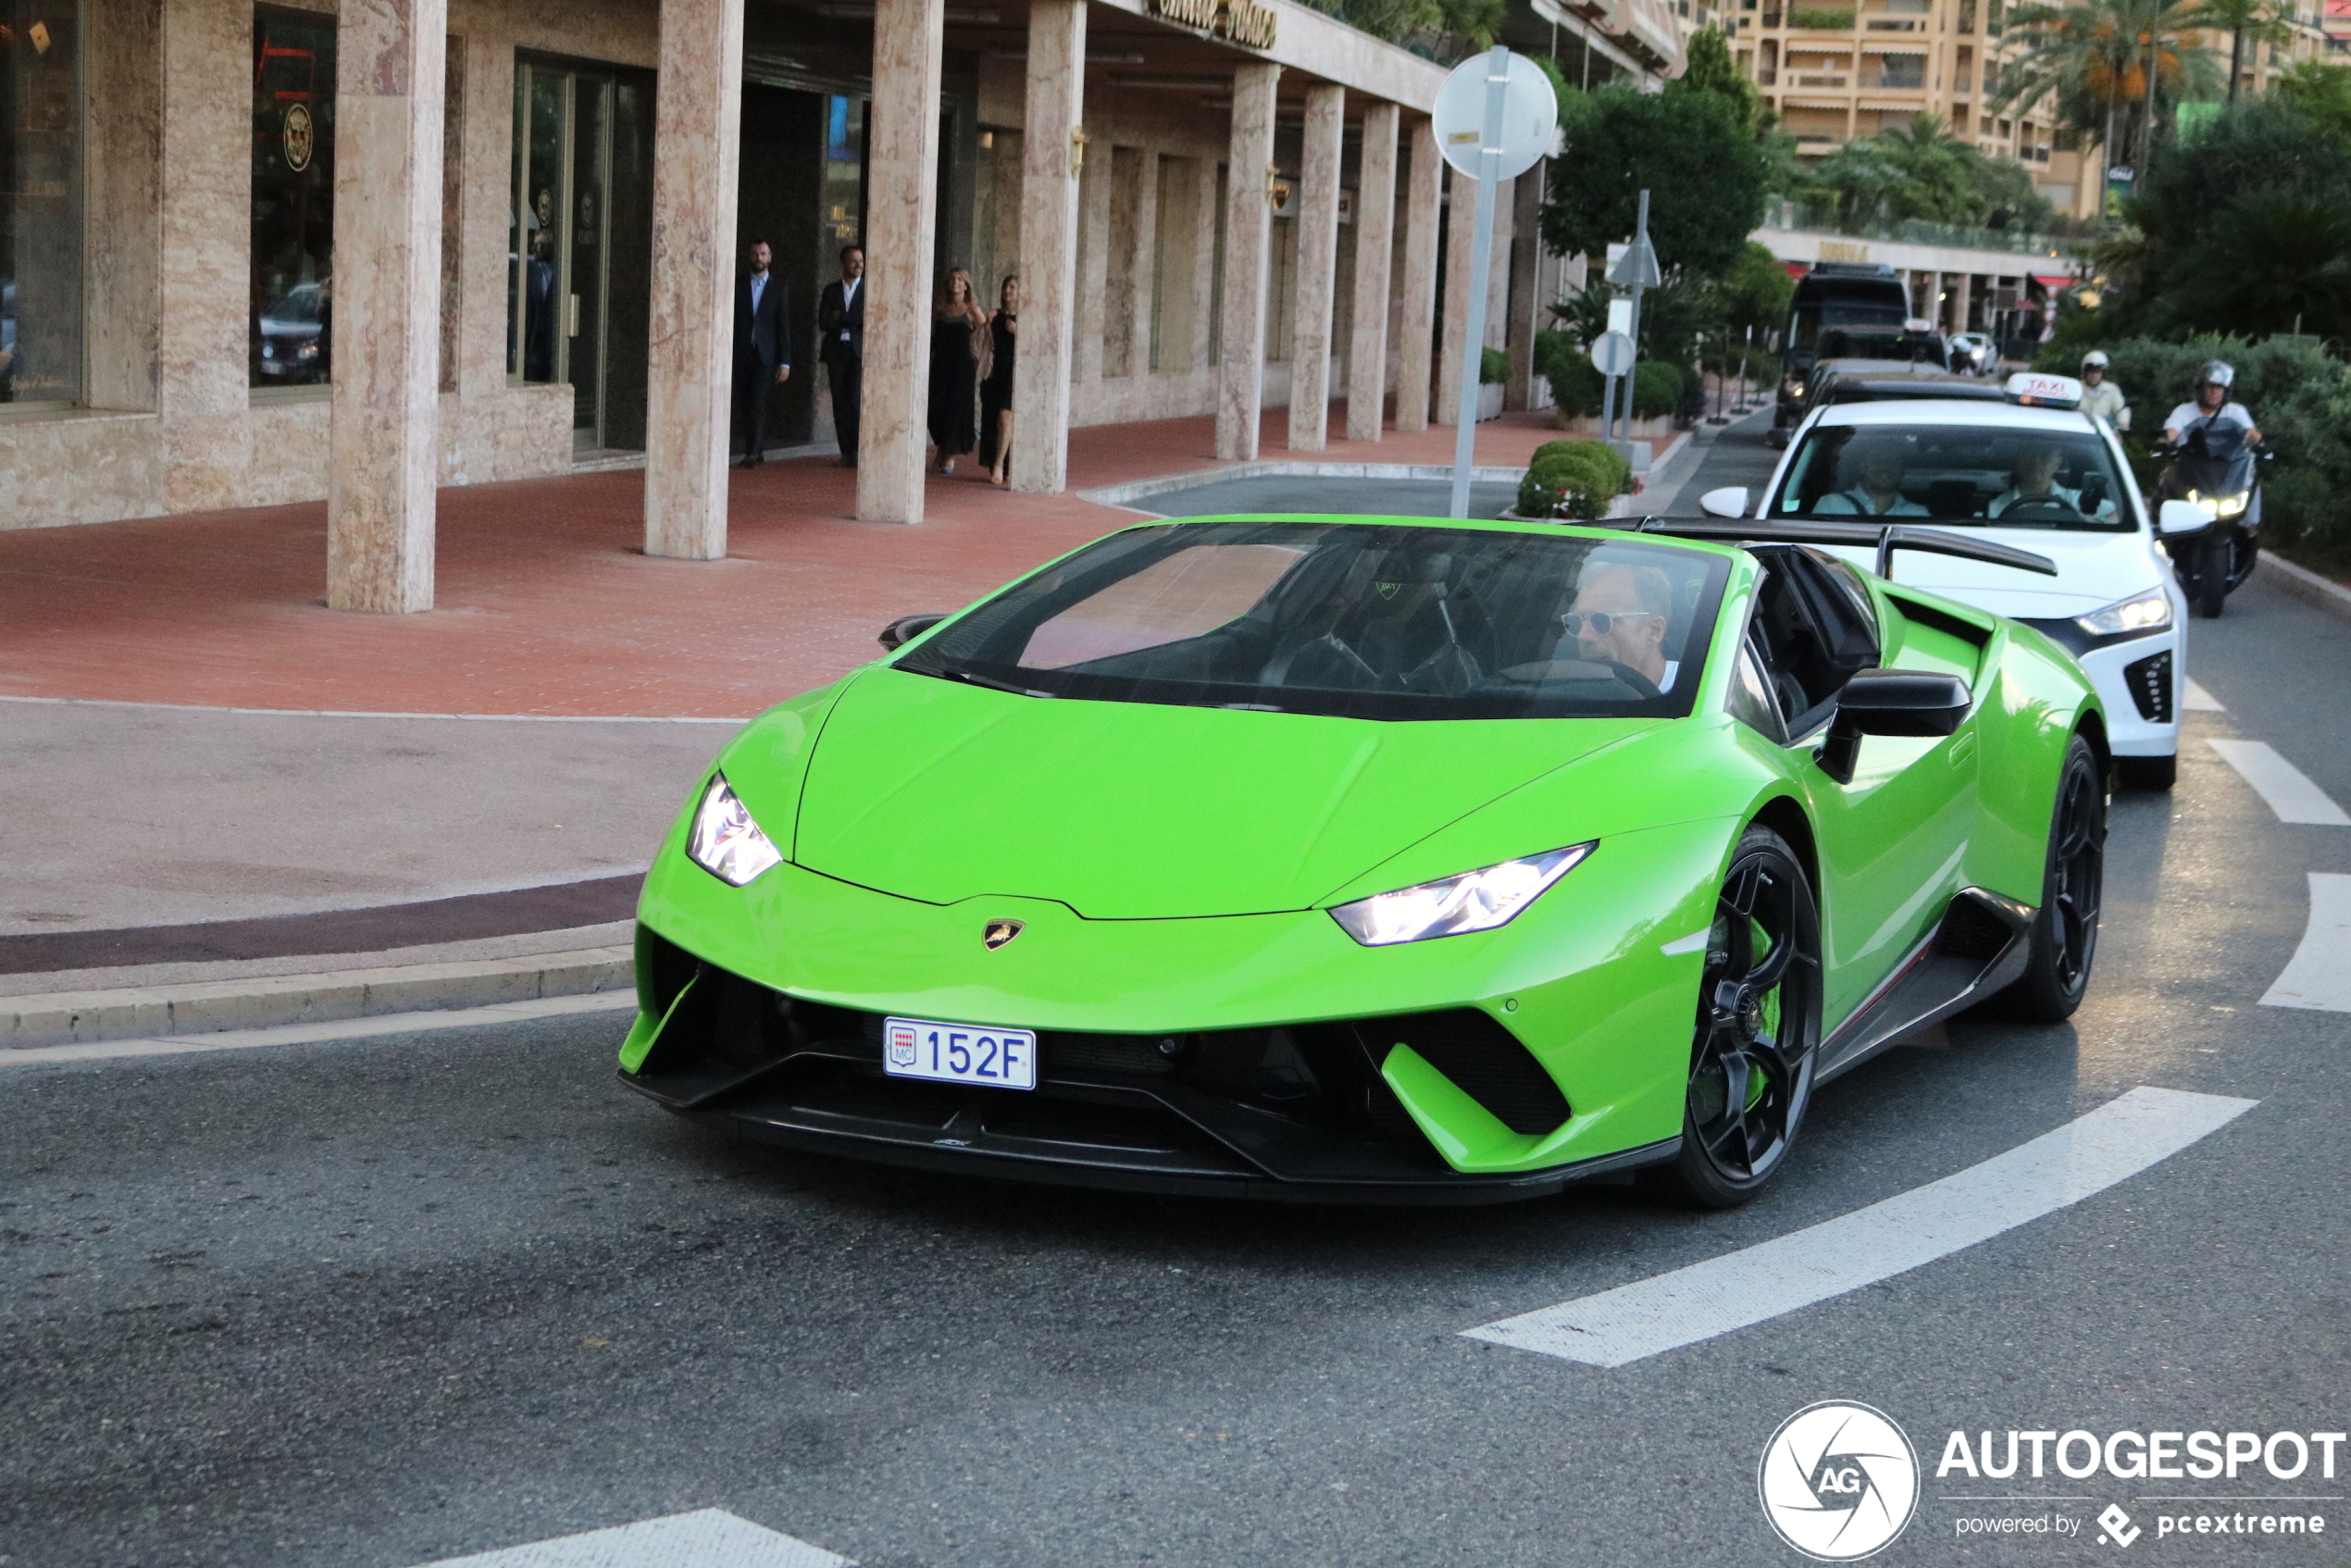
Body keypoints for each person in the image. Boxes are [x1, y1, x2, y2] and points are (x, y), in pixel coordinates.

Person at [1562, 556, 1678, 693]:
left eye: (1602, 621)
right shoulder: (1567, 695)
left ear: (1654, 631)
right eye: (1578, 620)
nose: (1583, 636)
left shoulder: (1701, 691)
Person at [730, 239, 791, 468]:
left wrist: (785, 362)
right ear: (750, 256)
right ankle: (756, 447)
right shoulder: (738, 284)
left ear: (770, 257)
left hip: (766, 356)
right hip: (742, 352)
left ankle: (753, 451)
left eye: (763, 253)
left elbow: (783, 326)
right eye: (755, 253)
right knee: (745, 403)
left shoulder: (778, 288)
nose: (759, 257)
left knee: (759, 402)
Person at [927, 268, 986, 476]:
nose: (956, 283)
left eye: (960, 280)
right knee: (936, 409)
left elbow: (985, 333)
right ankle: (942, 447)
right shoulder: (940, 308)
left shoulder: (971, 309)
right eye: (952, 279)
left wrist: (978, 355)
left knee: (955, 410)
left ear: (966, 285)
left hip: (962, 367)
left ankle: (949, 455)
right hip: (941, 365)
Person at [817, 245, 865, 467]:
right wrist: (849, 319)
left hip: (858, 352)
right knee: (839, 402)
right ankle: (845, 451)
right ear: (843, 263)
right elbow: (824, 321)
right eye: (853, 261)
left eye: (861, 261)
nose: (858, 265)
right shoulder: (831, 290)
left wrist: (841, 317)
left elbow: (865, 320)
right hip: (836, 351)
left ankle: (858, 450)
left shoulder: (868, 289)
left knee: (855, 401)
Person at [1813, 437, 1928, 516]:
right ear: (1863, 468)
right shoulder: (1831, 505)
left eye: (1892, 461)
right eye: (1877, 460)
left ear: (1902, 470)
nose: (1884, 467)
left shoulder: (1918, 513)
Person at [1988, 442, 2106, 518]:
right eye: (2031, 455)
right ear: (2019, 462)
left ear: (2058, 462)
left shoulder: (2078, 501)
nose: (2037, 462)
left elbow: (2117, 515)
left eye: (2046, 455)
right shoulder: (1996, 507)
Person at [2164, 360, 2260, 449]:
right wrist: (2163, 442)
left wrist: (2259, 443)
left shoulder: (2236, 411)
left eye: (2219, 387)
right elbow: (2172, 431)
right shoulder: (2183, 411)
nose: (2214, 392)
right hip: (2189, 463)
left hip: (2228, 465)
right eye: (2209, 386)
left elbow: (2250, 431)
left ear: (2225, 391)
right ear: (2201, 388)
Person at [979, 274, 1019, 486]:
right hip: (995, 371)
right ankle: (998, 463)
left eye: (1013, 287)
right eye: (1006, 287)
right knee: (993, 421)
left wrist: (1017, 332)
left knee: (1006, 418)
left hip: (1015, 372)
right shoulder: (995, 316)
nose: (1008, 291)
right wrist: (987, 321)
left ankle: (999, 464)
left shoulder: (1025, 319)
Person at [2078, 350, 2129, 429]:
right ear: (2085, 372)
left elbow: (2121, 409)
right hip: (2080, 430)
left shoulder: (2112, 390)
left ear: (2103, 373)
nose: (2094, 375)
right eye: (2091, 371)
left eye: (2097, 371)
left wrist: (2122, 424)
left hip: (2104, 431)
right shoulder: (2077, 388)